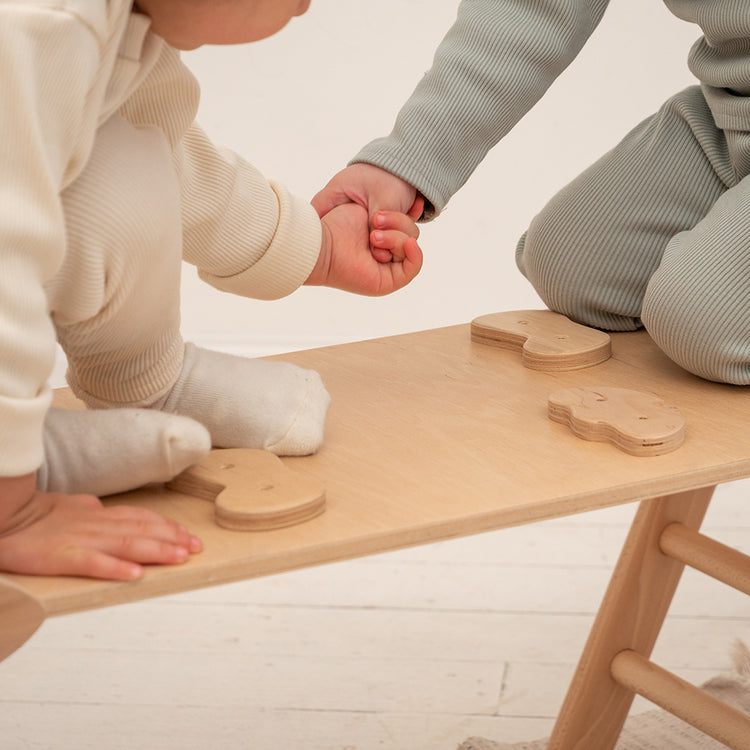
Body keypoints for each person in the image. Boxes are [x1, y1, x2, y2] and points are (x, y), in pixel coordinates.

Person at [0, 0, 423, 581]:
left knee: (122, 156)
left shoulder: (110, 24)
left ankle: (140, 382)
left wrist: (316, 249)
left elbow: (171, 157)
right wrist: (11, 516)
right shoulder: (35, 25)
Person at [314, 0, 750, 386]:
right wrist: (405, 162)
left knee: (700, 321)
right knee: (569, 265)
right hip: (733, 111)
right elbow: (529, 6)